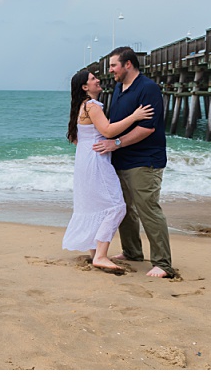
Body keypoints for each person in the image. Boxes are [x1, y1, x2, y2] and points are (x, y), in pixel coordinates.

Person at [92, 47, 175, 278]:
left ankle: (163, 264)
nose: (110, 71)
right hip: (121, 160)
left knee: (147, 209)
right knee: (124, 209)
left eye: (113, 66)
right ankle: (132, 252)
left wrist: (115, 143)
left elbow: (147, 128)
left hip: (145, 160)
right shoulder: (119, 88)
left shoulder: (148, 88)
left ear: (128, 64)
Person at [64, 68, 154, 271]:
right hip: (97, 161)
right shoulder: (92, 106)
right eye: (93, 79)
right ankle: (101, 256)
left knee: (94, 205)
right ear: (85, 87)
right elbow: (108, 130)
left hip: (85, 160)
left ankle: (95, 252)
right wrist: (135, 116)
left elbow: (77, 138)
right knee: (116, 206)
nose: (98, 80)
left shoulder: (81, 106)